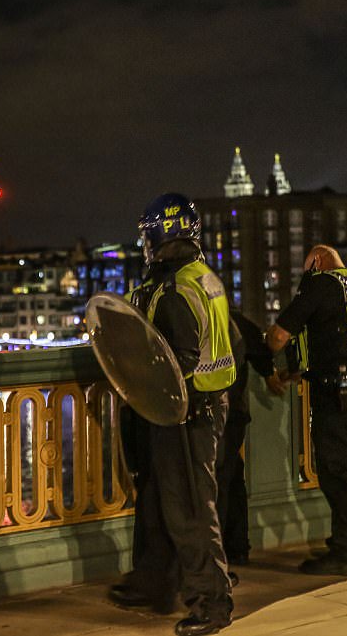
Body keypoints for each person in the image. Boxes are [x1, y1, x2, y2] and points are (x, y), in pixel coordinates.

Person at [109, 193, 235, 636]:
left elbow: (176, 361)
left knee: (190, 514)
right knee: (179, 507)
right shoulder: (203, 278)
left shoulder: (176, 291)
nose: (144, 246)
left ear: (161, 235)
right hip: (210, 406)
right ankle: (168, 584)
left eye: (147, 237)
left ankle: (212, 605)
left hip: (186, 416)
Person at [266, 245, 347, 577]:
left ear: (316, 263)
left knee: (340, 471)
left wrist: (264, 355)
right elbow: (343, 336)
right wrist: (297, 372)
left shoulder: (322, 283)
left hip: (341, 389)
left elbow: (279, 336)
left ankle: (346, 553)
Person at [216, 309, 285, 566]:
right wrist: (268, 372)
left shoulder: (195, 313)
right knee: (231, 477)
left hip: (214, 411)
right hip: (234, 410)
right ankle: (237, 548)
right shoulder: (229, 316)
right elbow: (256, 342)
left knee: (218, 482)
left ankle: (219, 552)